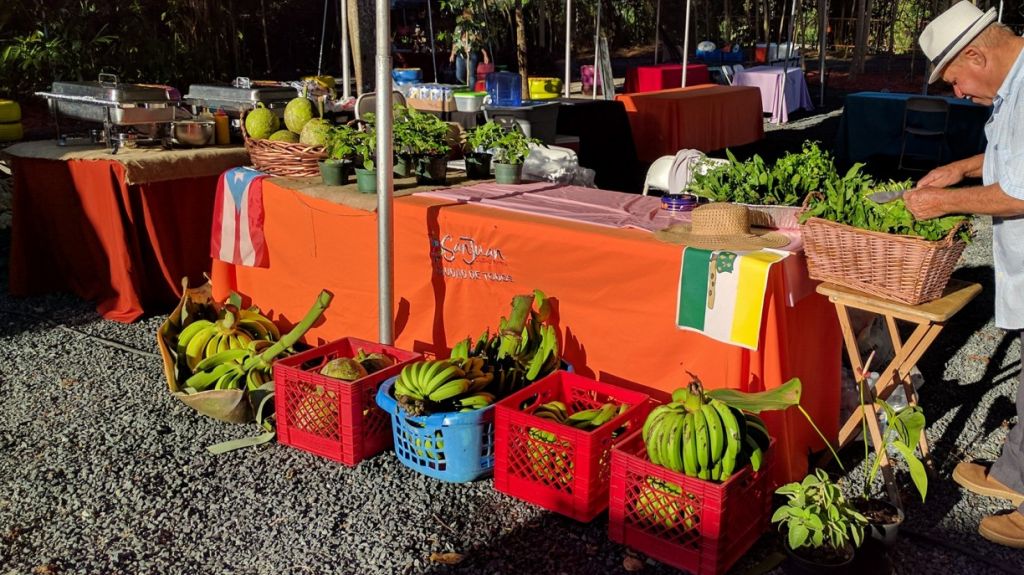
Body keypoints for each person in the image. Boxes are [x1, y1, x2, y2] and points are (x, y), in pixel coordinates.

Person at [907, 0, 1024, 549]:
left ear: (976, 53)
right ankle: (1014, 475)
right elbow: (1011, 157)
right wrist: (961, 166)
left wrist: (946, 203)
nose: (958, 94)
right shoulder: (1013, 87)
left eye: (956, 80)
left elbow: (1021, 191)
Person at [449, 9, 489, 88]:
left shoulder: (474, 28)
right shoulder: (458, 28)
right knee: (459, 76)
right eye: (465, 16)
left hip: (471, 53)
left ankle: (471, 90)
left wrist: (485, 54)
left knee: (471, 75)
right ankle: (466, 85)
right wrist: (452, 54)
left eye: (468, 16)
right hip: (461, 54)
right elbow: (455, 41)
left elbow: (479, 43)